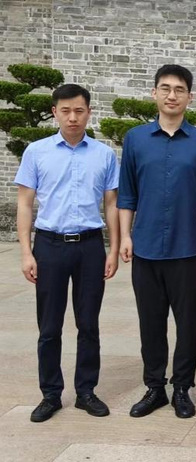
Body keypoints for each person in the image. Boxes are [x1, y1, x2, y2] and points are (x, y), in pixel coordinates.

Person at [118, 64, 196, 419]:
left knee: (188, 323)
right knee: (150, 322)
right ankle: (155, 388)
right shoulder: (135, 139)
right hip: (146, 246)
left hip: (190, 247)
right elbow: (127, 194)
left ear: (189, 97)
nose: (171, 95)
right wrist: (125, 237)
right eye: (165, 88)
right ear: (154, 93)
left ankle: (182, 387)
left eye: (179, 89)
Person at [15, 84, 119, 422]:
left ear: (89, 112)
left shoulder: (104, 155)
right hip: (49, 245)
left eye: (79, 110)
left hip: (90, 246)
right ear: (54, 113)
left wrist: (113, 248)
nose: (72, 117)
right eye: (65, 111)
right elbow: (25, 204)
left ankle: (86, 391)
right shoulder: (36, 152)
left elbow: (111, 204)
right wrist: (26, 253)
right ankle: (50, 394)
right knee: (49, 326)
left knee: (88, 324)